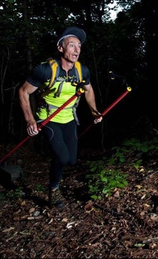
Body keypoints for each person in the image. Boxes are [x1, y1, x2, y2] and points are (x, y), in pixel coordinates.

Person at [19, 26, 102, 208]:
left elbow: (89, 90)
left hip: (69, 118)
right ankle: (54, 190)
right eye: (71, 45)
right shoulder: (45, 70)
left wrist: (94, 111)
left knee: (71, 160)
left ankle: (58, 158)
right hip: (48, 118)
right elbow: (24, 92)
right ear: (60, 48)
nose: (77, 50)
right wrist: (30, 119)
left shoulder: (81, 70)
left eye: (79, 46)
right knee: (63, 157)